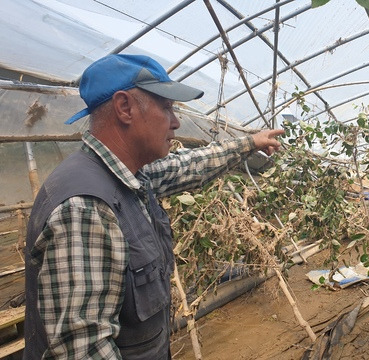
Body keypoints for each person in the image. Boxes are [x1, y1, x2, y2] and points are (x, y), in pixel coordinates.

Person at [24, 54, 284, 359]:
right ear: (125, 108)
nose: (175, 121)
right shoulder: (86, 208)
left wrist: (249, 142)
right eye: (166, 107)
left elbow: (187, 167)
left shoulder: (129, 176)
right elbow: (85, 350)